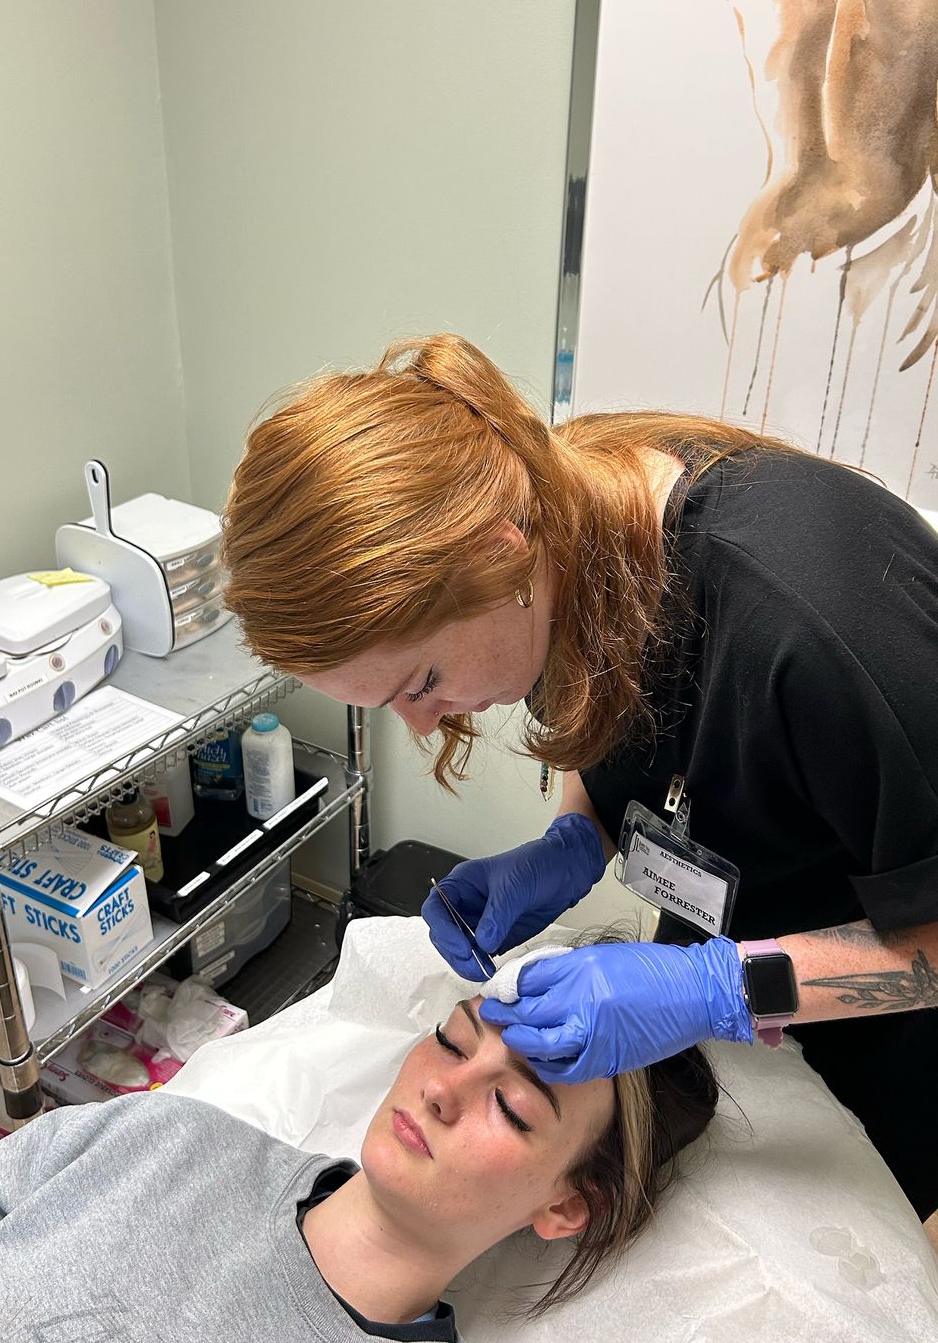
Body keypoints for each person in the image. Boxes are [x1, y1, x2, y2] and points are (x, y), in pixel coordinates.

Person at [221, 333, 938, 1224]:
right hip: (750, 997)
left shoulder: (818, 626)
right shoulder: (570, 534)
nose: (423, 725)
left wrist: (720, 990)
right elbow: (642, 750)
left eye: (424, 683)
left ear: (500, 553)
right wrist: (577, 837)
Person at [0, 986, 717, 1339]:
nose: (441, 1087)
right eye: (454, 1041)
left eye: (513, 1107)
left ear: (564, 1208)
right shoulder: (164, 1133)